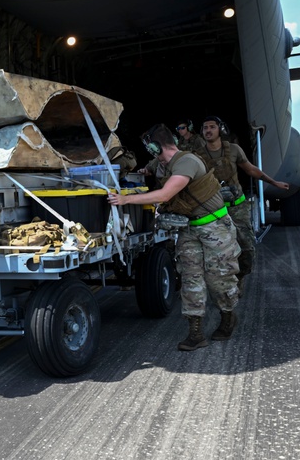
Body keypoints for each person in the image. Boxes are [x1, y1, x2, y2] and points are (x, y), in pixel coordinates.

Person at [108, 123, 241, 350]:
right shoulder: (162, 164)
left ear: (156, 146)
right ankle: (196, 334)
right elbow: (148, 170)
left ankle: (228, 318)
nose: (151, 155)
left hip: (215, 227)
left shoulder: (187, 162)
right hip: (189, 229)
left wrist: (125, 199)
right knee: (190, 280)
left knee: (220, 280)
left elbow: (166, 193)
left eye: (151, 149)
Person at [196, 116, 290, 289]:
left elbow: (251, 169)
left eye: (212, 127)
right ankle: (223, 287)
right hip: (213, 211)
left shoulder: (233, 150)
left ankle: (239, 277)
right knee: (213, 252)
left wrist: (274, 182)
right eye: (204, 128)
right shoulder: (198, 157)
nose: (208, 130)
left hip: (237, 208)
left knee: (247, 250)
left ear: (220, 130)